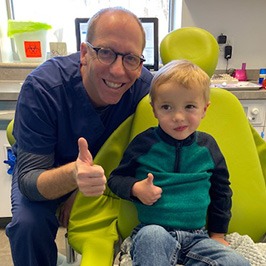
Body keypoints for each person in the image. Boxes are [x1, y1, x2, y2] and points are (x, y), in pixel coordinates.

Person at [5, 7, 153, 266]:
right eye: (106, 53)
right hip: (44, 170)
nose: (119, 71)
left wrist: (84, 193)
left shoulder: (143, 90)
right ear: (85, 53)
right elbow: (29, 179)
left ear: (140, 65)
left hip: (106, 176)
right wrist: (75, 178)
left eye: (130, 58)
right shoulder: (43, 88)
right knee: (28, 226)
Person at [108, 60, 250, 265]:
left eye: (190, 106)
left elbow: (221, 192)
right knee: (151, 237)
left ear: (204, 109)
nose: (178, 117)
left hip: (198, 238)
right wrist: (135, 188)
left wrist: (218, 234)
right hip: (154, 231)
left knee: (238, 263)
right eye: (166, 107)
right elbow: (115, 179)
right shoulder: (143, 144)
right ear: (154, 110)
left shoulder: (208, 146)